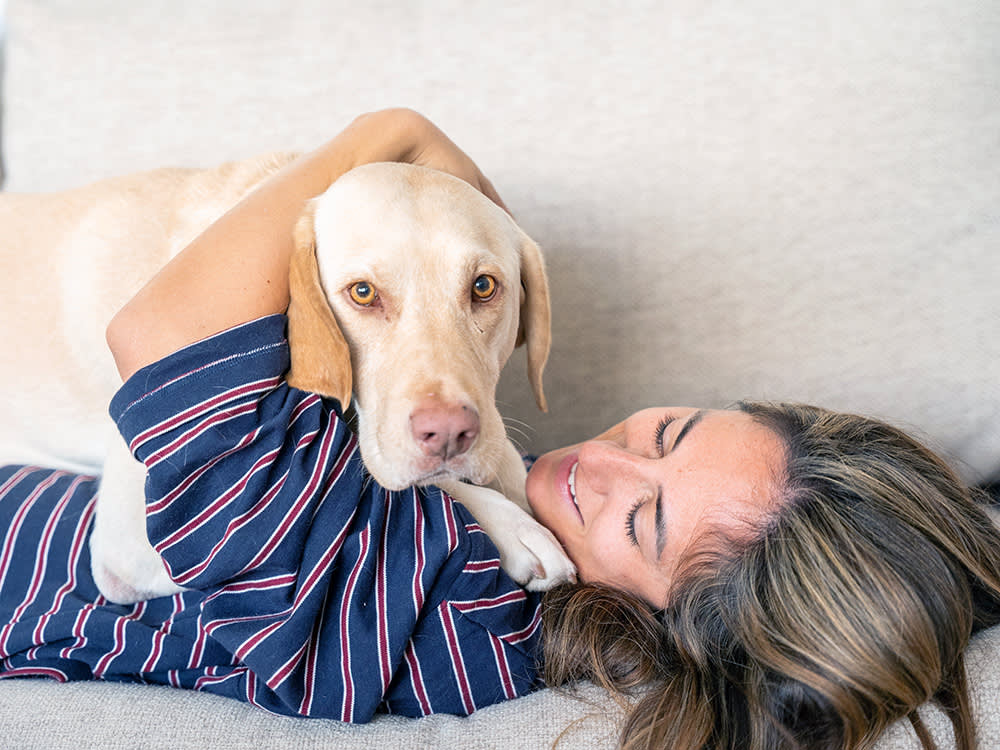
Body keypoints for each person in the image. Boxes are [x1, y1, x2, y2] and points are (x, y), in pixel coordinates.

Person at [1, 109, 999, 750]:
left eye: (641, 522)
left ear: (674, 626)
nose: (603, 462)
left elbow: (153, 347)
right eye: (666, 429)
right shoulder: (499, 530)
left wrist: (392, 131)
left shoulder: (472, 619)